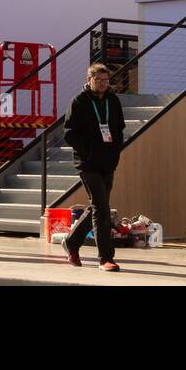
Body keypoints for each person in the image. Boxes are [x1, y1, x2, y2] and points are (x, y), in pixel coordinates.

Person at [62, 63, 125, 271]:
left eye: (106, 80)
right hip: (87, 163)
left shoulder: (113, 101)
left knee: (99, 206)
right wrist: (87, 150)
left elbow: (119, 129)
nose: (104, 84)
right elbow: (69, 133)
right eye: (99, 80)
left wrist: (116, 152)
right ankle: (105, 258)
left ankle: (71, 242)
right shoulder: (78, 102)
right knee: (101, 208)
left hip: (108, 162)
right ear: (89, 80)